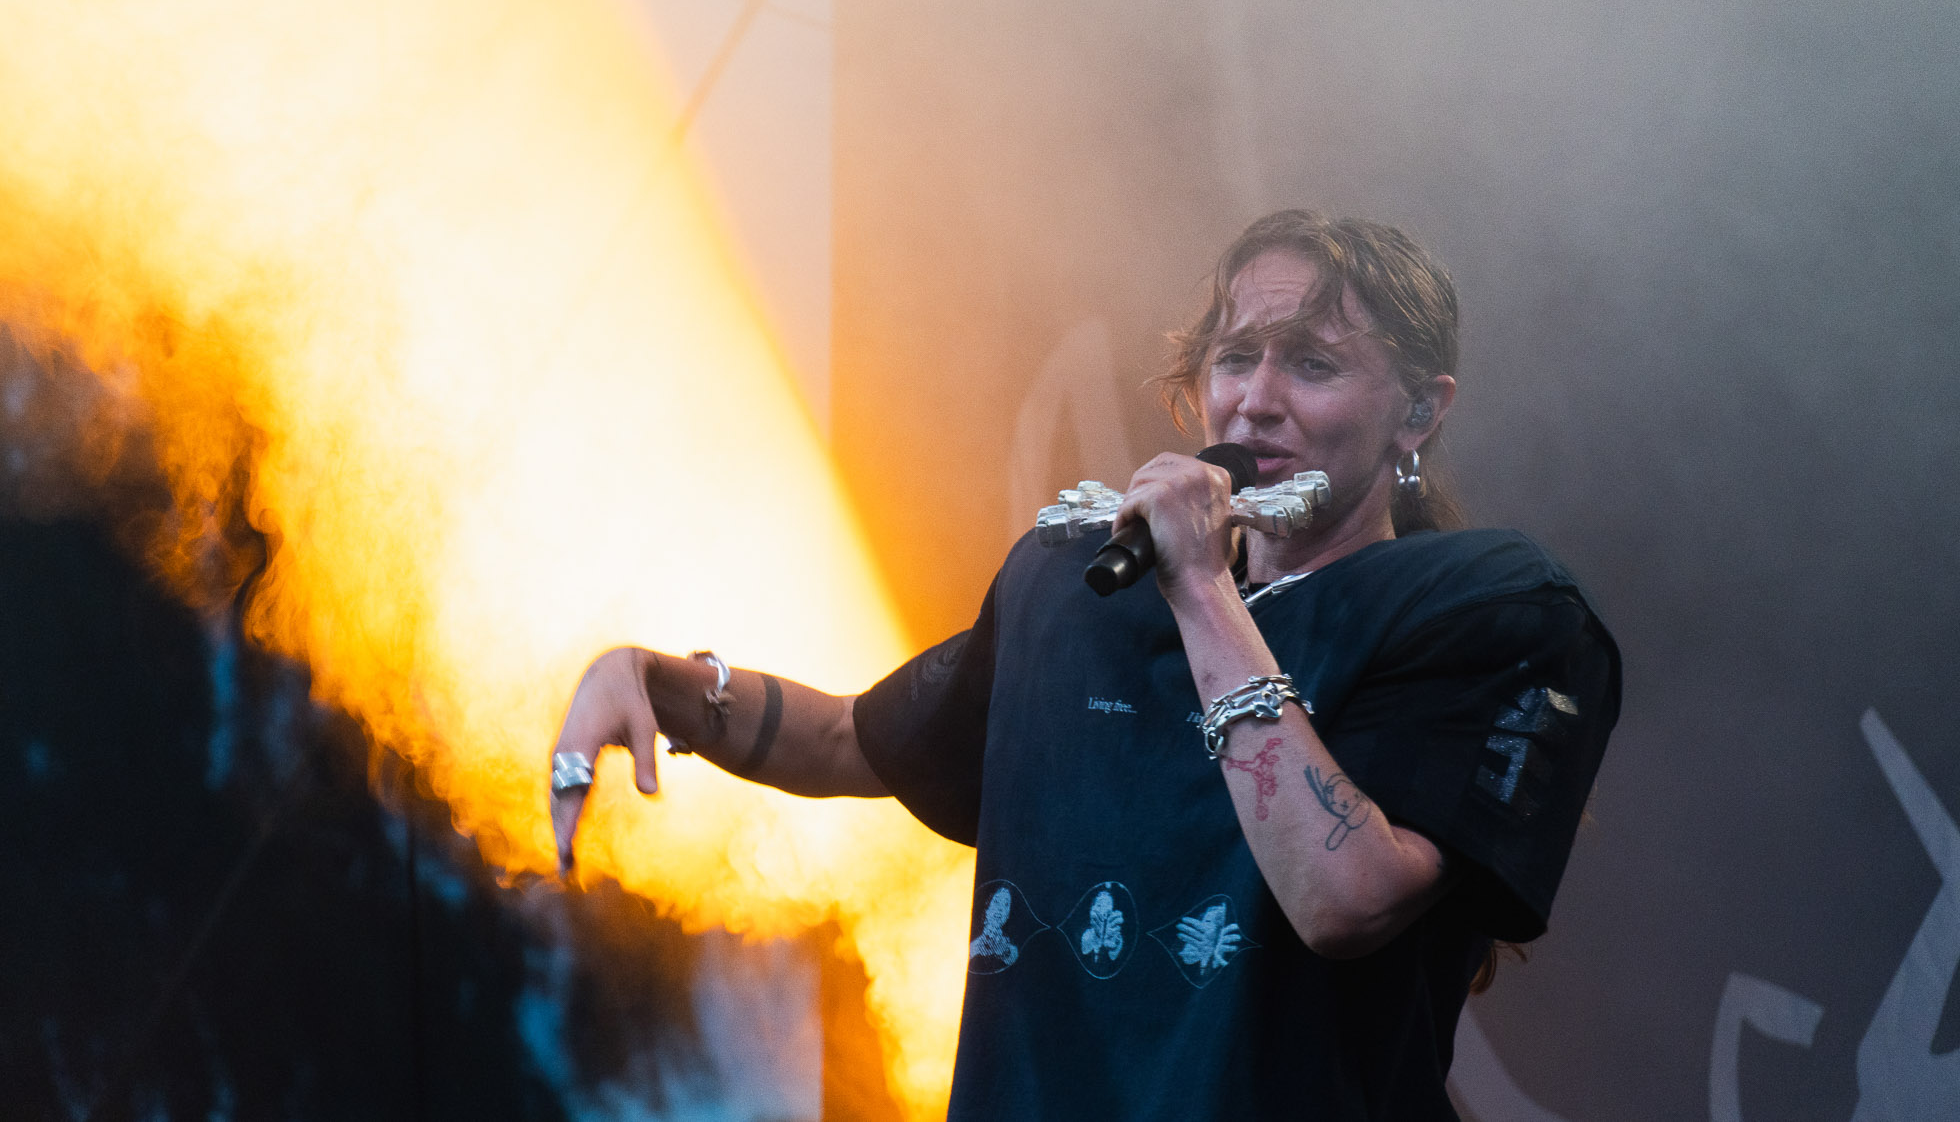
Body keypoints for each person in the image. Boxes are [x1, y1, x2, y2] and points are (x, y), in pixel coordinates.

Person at [550, 210, 1620, 1120]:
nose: (1256, 398)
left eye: (1312, 363)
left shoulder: (1489, 608)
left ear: (1420, 411)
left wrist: (1201, 587)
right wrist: (664, 683)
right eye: (1234, 359)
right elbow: (855, 737)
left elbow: (1343, 897)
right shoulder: (1075, 588)